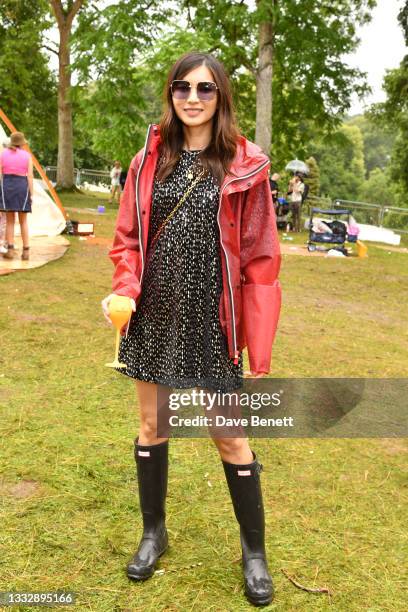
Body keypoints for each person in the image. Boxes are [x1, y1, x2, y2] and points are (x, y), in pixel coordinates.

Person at [101, 52, 281, 606]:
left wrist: (258, 339)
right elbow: (129, 239)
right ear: (171, 94)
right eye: (182, 87)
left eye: (205, 88)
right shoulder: (149, 160)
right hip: (152, 314)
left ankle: (254, 554)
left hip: (213, 320)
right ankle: (154, 534)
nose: (193, 97)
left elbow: (260, 257)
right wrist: (126, 288)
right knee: (154, 428)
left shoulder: (244, 165)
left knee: (228, 435)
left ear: (221, 96)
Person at [0, 132, 33, 261]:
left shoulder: (3, 154)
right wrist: (31, 193)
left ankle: (11, 250)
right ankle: (26, 252)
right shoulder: (27, 156)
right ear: (22, 143)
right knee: (23, 221)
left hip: (7, 186)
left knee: (9, 221)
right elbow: (29, 176)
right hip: (22, 187)